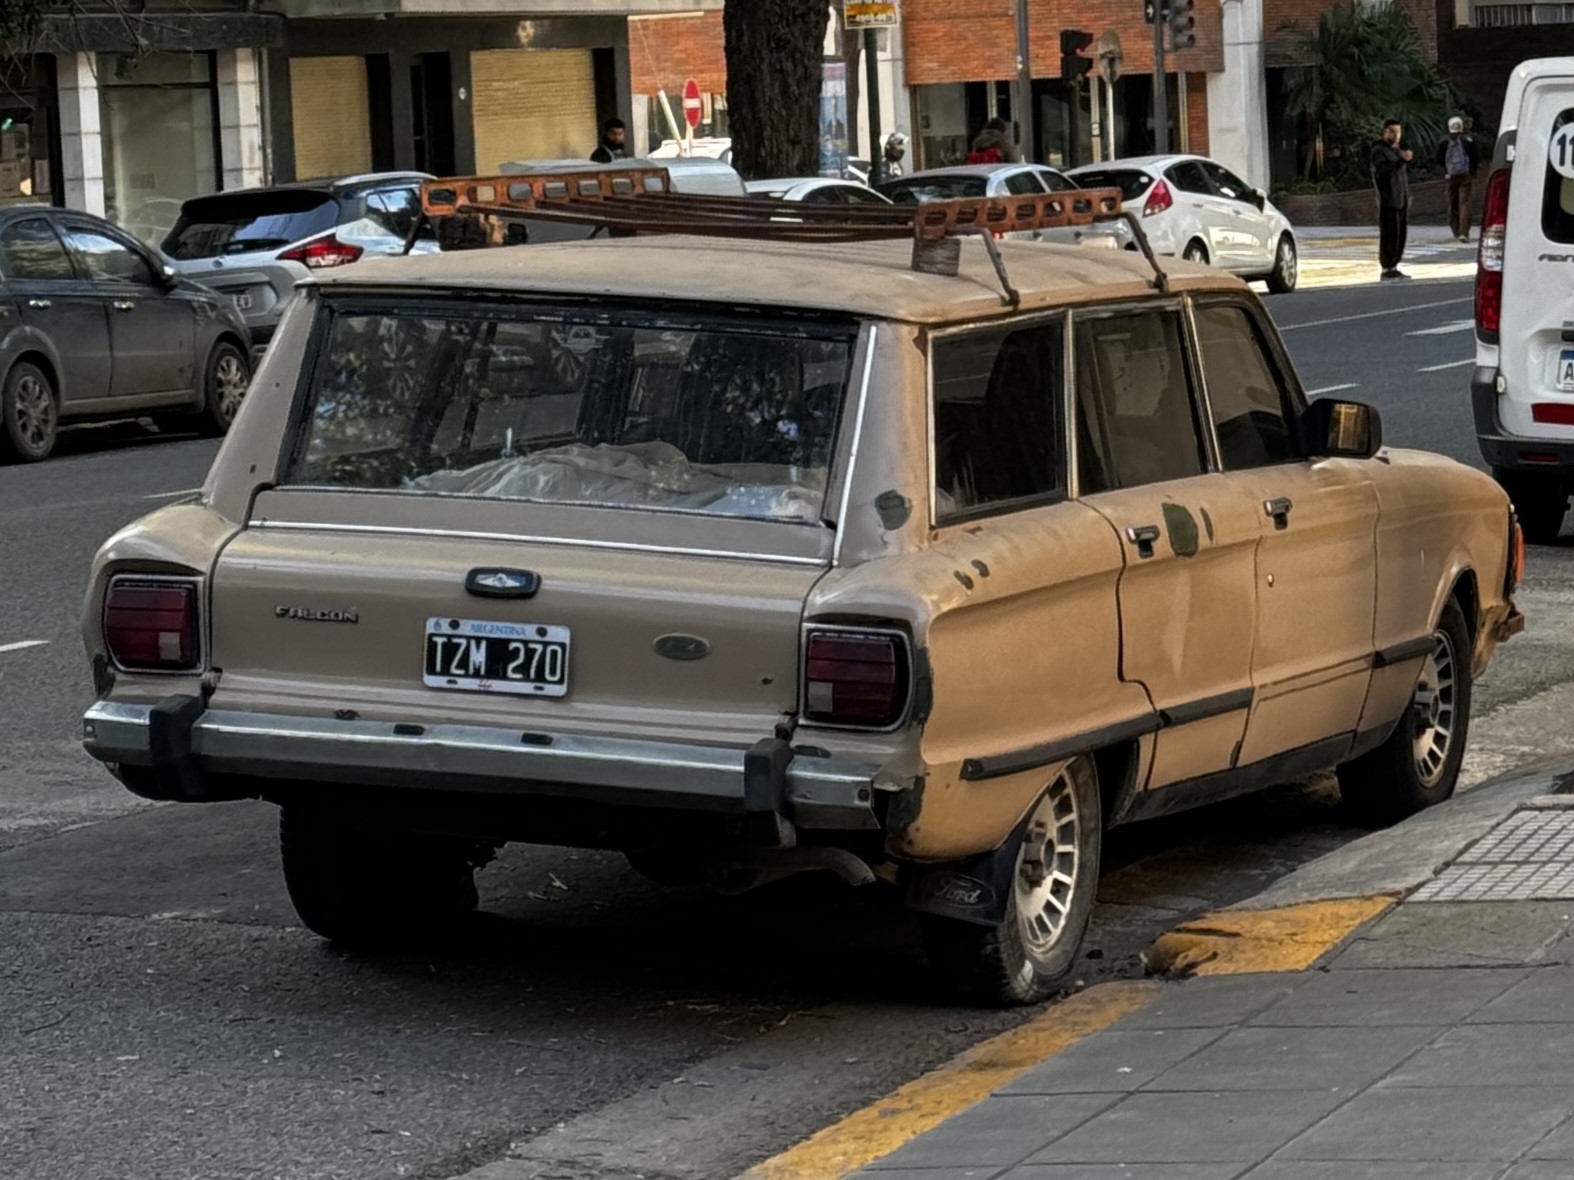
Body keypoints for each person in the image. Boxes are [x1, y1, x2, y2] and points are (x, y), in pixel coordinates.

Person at [1371, 119, 1413, 280]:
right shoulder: (1379, 151)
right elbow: (1383, 172)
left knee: (1400, 233)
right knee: (1390, 233)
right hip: (1388, 199)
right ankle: (1387, 266)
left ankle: (1394, 265)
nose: (1396, 135)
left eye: (1398, 132)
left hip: (1401, 198)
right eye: (1393, 131)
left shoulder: (1396, 151)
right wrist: (1401, 160)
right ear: (1386, 132)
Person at [1440, 115, 1480, 242]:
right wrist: (1473, 171)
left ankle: (1455, 231)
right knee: (1465, 204)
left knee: (1452, 203)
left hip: (1450, 176)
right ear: (1461, 126)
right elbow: (1475, 157)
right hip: (1465, 176)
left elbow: (1438, 159)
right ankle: (1464, 232)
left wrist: (1446, 170)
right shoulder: (1468, 140)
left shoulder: (1443, 141)